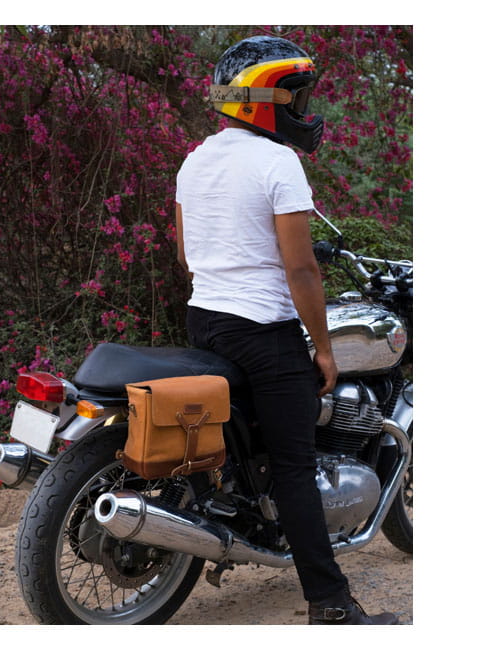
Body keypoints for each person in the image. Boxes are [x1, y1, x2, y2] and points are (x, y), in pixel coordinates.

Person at [175, 34, 398, 625]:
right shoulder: (278, 163)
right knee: (295, 467)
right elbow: (301, 270)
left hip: (205, 321)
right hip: (263, 333)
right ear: (263, 101)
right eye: (296, 97)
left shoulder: (195, 159)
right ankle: (331, 605)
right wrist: (323, 349)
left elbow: (187, 255)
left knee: (250, 442)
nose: (304, 110)